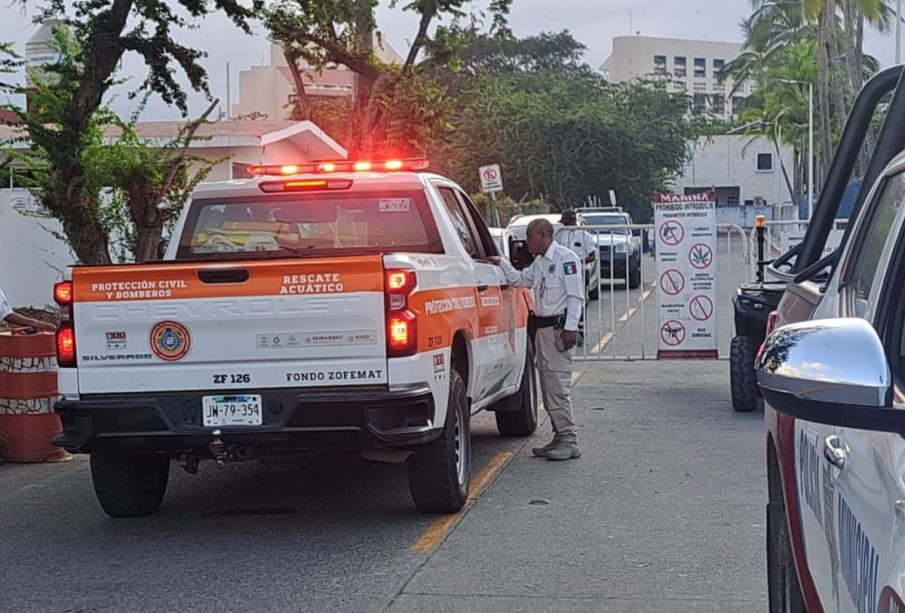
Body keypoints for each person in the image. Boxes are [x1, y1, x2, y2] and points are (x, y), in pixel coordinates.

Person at [489, 218, 583, 461]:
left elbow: (575, 297)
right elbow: (521, 280)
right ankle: (559, 435)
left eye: (530, 235)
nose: (527, 241)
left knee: (558, 386)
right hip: (542, 331)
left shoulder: (565, 258)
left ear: (544, 234)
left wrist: (570, 328)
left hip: (557, 330)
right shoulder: (540, 263)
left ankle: (569, 439)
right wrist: (501, 263)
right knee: (547, 385)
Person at [557, 209, 596, 345]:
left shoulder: (585, 236)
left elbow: (592, 256)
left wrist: (578, 261)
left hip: (580, 272)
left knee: (579, 301)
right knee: (565, 301)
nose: (565, 226)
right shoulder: (563, 236)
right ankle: (568, 329)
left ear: (572, 221)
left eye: (566, 222)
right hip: (564, 273)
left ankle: (580, 333)